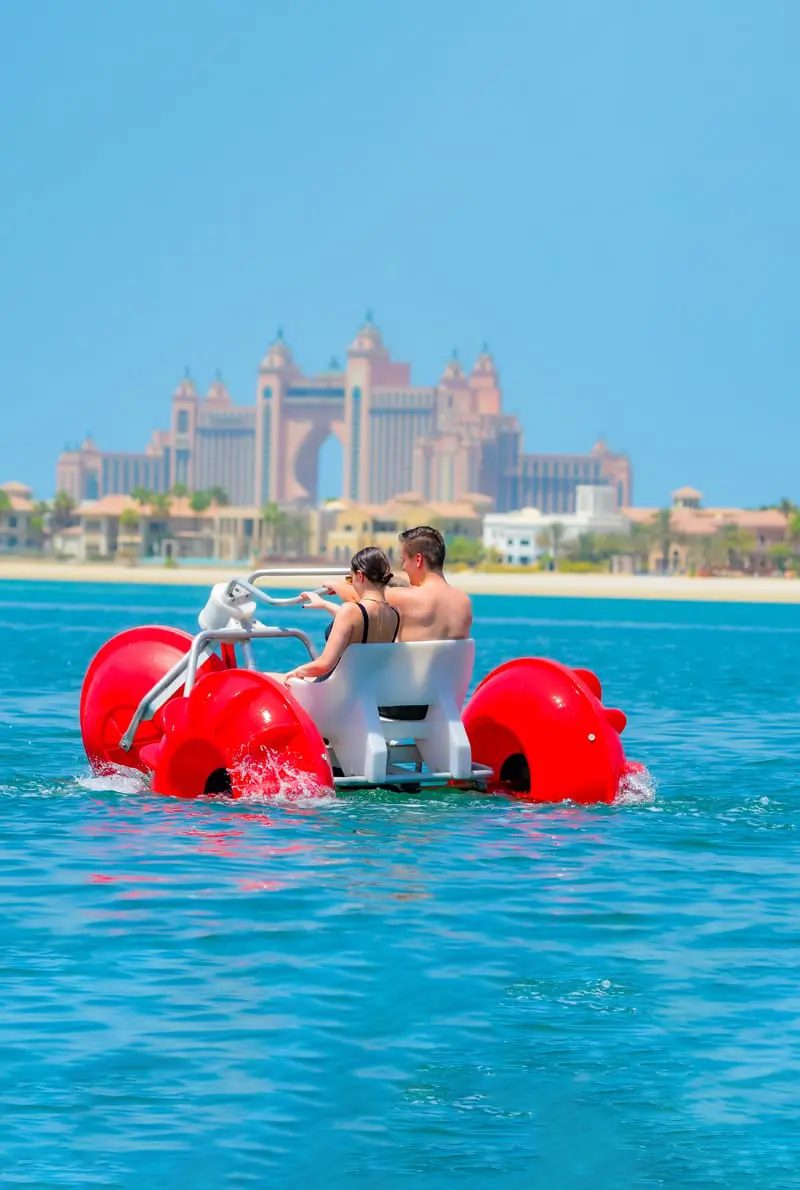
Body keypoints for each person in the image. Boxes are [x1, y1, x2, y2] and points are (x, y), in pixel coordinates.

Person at [325, 525, 472, 642]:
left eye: (404, 560)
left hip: (406, 680)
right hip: (449, 680)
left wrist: (335, 585)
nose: (403, 567)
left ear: (418, 560)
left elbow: (362, 599)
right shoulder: (464, 601)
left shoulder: (405, 598)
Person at [282, 547, 400, 684]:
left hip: (336, 692)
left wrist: (296, 672)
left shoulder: (350, 611)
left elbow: (324, 665)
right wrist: (324, 604)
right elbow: (359, 623)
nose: (352, 584)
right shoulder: (394, 613)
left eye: (351, 579)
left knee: (270, 678)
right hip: (368, 691)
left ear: (360, 576)